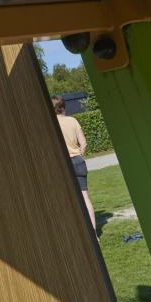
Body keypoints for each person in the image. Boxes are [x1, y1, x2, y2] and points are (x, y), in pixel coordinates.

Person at [52, 95, 95, 233]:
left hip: (61, 163)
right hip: (77, 160)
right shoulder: (73, 120)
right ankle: (94, 233)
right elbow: (84, 143)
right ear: (63, 106)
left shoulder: (50, 123)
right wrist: (79, 156)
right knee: (85, 197)